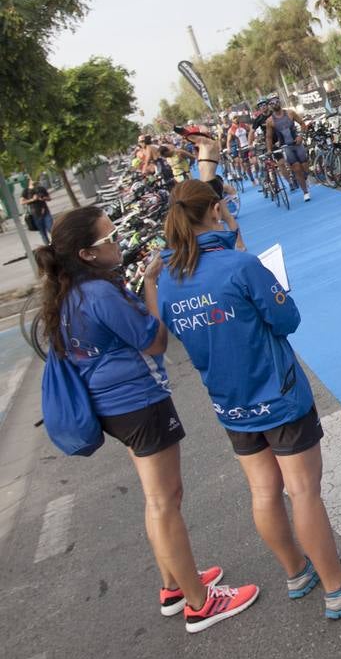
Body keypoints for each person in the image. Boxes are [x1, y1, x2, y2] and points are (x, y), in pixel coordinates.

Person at [151, 180, 341, 620]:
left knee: (264, 491)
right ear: (217, 209)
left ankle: (296, 572)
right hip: (276, 394)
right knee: (303, 492)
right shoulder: (240, 266)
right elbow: (286, 318)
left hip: (230, 402)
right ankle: (338, 588)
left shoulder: (169, 278)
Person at [35, 206, 259, 632]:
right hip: (138, 401)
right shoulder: (100, 294)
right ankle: (199, 603)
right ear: (86, 253)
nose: (118, 241)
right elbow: (155, 341)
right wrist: (152, 282)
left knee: (156, 498)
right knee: (165, 500)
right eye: (109, 238)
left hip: (114, 407)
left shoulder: (70, 293)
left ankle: (175, 585)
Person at [264, 97, 312, 202]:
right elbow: (269, 137)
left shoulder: (290, 113)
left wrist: (301, 136)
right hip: (286, 147)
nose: (275, 104)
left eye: (277, 101)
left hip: (297, 144)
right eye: (272, 103)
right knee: (296, 168)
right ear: (270, 106)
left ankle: (305, 177)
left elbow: (302, 124)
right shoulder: (270, 121)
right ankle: (305, 192)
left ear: (280, 102)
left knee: (305, 167)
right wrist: (269, 149)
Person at [20, 180, 53, 245]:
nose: (34, 180)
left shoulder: (41, 188)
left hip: (45, 212)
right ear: (29, 180)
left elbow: (49, 198)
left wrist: (43, 198)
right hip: (35, 215)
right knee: (43, 233)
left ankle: (55, 243)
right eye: (33, 178)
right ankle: (48, 247)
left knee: (51, 229)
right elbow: (21, 202)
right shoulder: (26, 191)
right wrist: (32, 199)